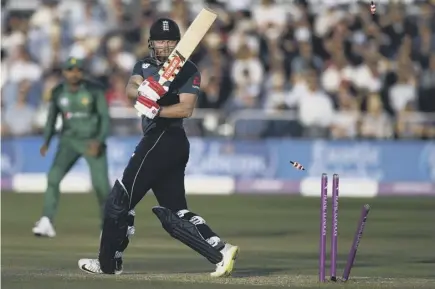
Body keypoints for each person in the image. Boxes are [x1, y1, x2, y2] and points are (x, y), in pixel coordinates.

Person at [78, 18, 239, 277]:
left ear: (178, 44)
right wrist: (144, 90)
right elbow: (130, 88)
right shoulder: (144, 65)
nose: (164, 45)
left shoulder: (188, 70)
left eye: (170, 41)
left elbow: (186, 109)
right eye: (160, 40)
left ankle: (108, 264)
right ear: (151, 43)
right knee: (174, 214)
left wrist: (158, 108)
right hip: (165, 144)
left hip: (164, 139)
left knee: (120, 201)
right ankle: (221, 251)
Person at [32, 58, 110, 237]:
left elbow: (104, 117)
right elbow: (51, 118)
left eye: (78, 70)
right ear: (64, 72)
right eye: (70, 70)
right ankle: (46, 221)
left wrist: (98, 140)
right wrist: (46, 141)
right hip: (69, 141)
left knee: (101, 187)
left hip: (92, 142)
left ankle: (108, 226)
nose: (74, 74)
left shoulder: (94, 90)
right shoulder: (58, 92)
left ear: (82, 72)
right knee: (53, 177)